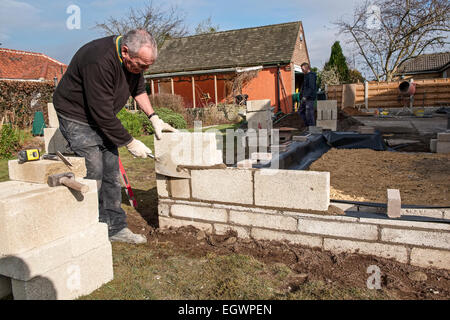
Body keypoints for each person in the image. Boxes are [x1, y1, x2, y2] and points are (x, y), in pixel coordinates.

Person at [53, 29, 177, 244]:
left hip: (101, 113)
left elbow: (138, 91)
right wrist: (130, 142)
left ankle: (114, 228)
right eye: (142, 65)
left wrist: (154, 117)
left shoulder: (134, 62)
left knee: (111, 171)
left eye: (148, 66)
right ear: (126, 51)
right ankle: (89, 225)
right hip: (76, 116)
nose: (145, 70)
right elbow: (101, 113)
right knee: (93, 168)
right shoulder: (98, 60)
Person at [299, 62, 317, 127]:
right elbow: (304, 87)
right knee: (301, 111)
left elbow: (311, 88)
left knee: (309, 113)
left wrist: (306, 96)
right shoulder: (306, 76)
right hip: (304, 98)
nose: (302, 70)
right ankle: (308, 126)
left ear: (307, 68)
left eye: (303, 69)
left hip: (309, 98)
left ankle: (312, 128)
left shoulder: (311, 76)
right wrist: (301, 95)